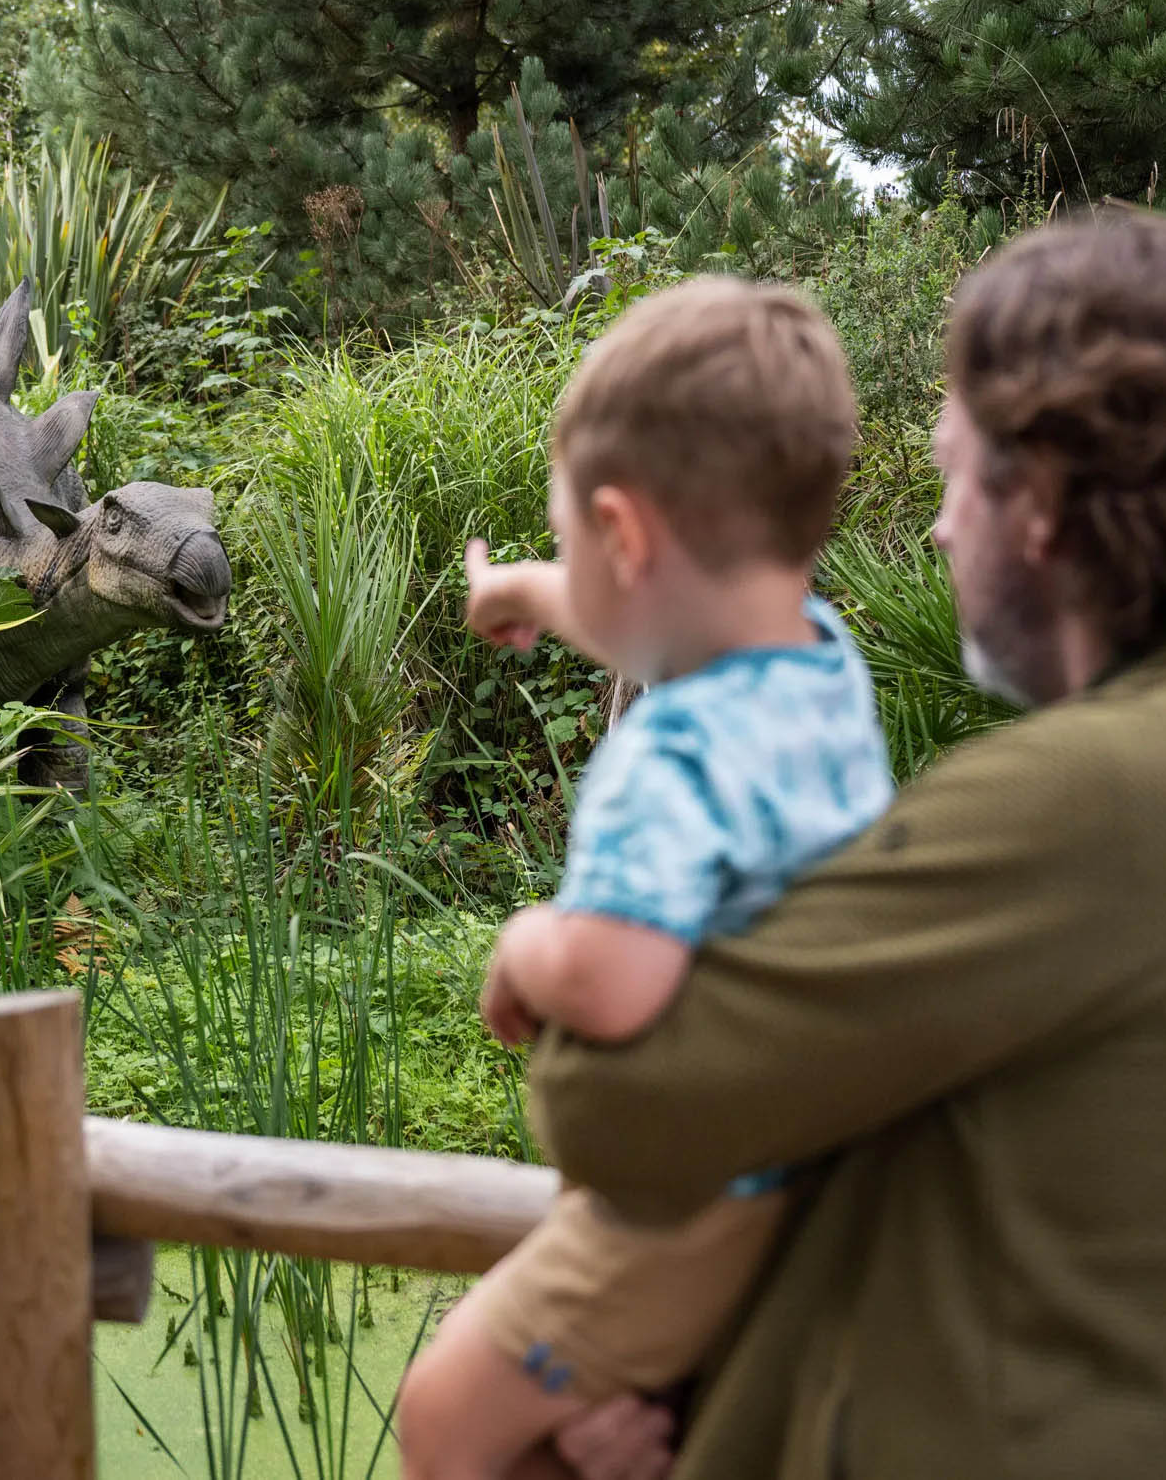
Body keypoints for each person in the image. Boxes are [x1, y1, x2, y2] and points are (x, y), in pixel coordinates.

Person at [526, 208, 1166, 1480]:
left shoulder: (1116, 798)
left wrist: (538, 950)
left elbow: (611, 1100)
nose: (939, 529)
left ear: (1036, 499)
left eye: (951, 472)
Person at [392, 276, 895, 1480]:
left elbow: (616, 980)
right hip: (823, 1175)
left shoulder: (665, 754)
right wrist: (522, 587)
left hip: (692, 1205)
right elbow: (676, 616)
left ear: (623, 535)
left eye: (568, 540)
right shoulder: (825, 665)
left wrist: (524, 946)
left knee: (442, 1415)